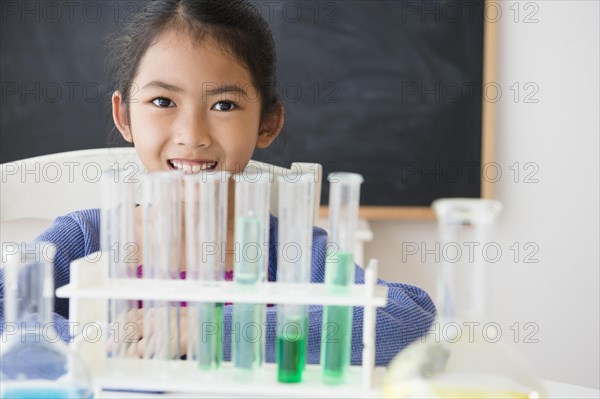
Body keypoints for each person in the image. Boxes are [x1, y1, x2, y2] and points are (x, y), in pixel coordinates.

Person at [0, 0, 435, 366]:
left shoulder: (293, 252)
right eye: (162, 101)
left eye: (224, 104)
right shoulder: (86, 238)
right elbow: (7, 306)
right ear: (125, 117)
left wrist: (210, 330)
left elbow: (409, 319)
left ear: (268, 123)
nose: (193, 134)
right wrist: (96, 342)